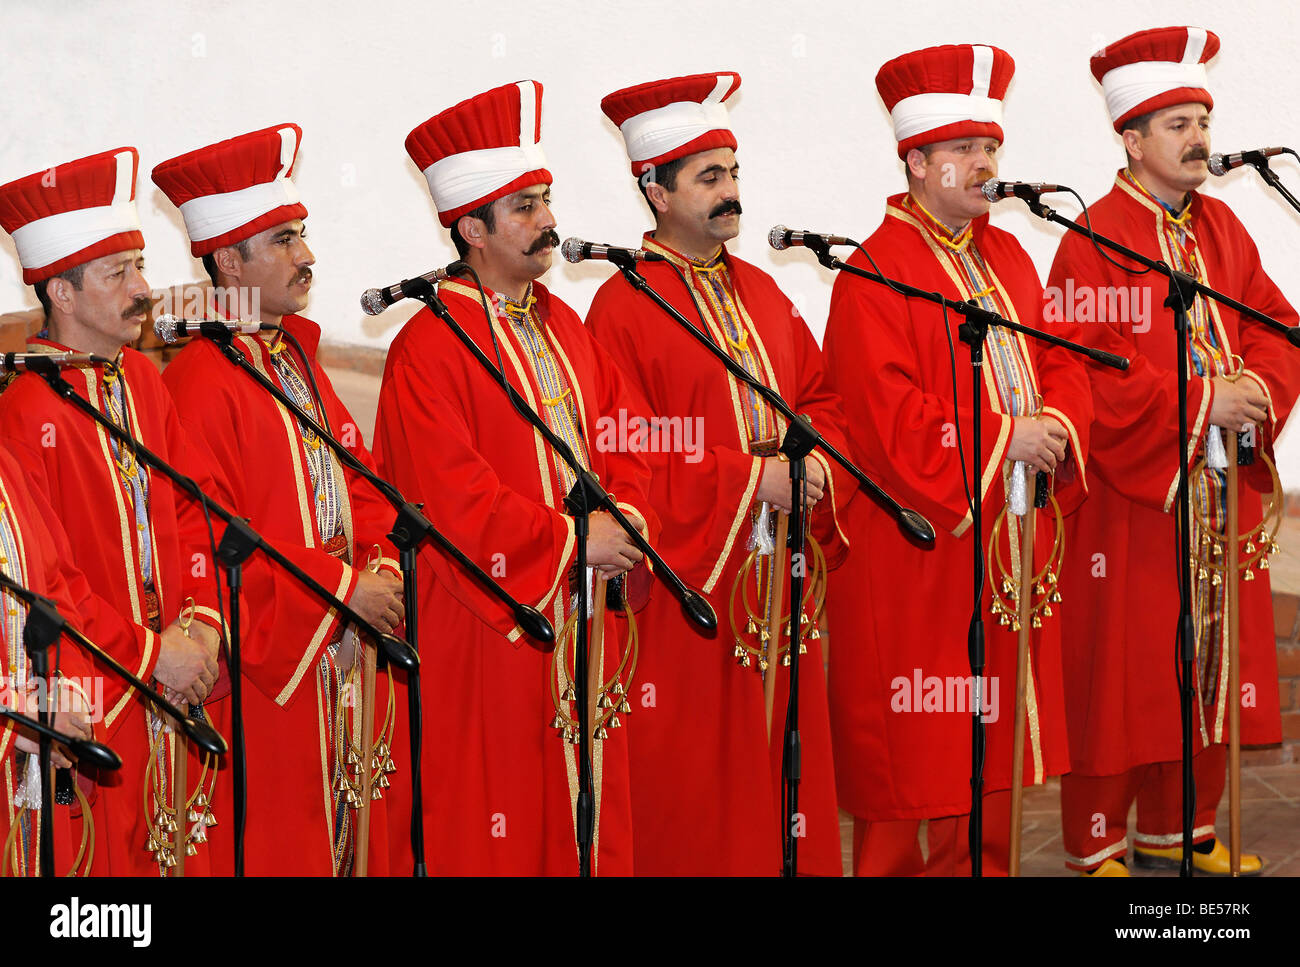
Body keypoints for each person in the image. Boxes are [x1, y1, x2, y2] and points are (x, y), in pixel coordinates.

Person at [374, 79, 656, 874]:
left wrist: (627, 519)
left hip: (583, 625)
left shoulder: (563, 323)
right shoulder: (428, 347)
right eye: (525, 207)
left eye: (545, 200)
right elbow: (454, 499)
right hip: (489, 631)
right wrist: (574, 540)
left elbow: (625, 436)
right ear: (471, 227)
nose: (548, 223)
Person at [823, 44, 1093, 875]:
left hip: (1006, 543)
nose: (985, 166)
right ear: (915, 161)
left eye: (991, 149)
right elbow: (886, 417)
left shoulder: (1008, 255)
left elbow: (1067, 358)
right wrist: (1002, 439)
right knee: (917, 754)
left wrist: (1053, 422)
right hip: (920, 553)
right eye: (965, 150)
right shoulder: (872, 274)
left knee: (992, 758)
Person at [1046, 25, 1300, 876]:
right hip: (1134, 501)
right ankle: (1094, 840)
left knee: (1205, 666)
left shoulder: (1223, 226)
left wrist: (1256, 391)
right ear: (1130, 137)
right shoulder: (1092, 238)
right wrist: (1199, 406)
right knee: (1124, 677)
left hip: (1217, 495)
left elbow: (1276, 326)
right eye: (1177, 124)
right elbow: (1082, 370)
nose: (1198, 139)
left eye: (1202, 119)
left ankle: (1183, 829)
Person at [586, 71, 851, 875]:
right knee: (694, 793)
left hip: (780, 583)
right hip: (688, 597)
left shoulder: (765, 293)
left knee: (785, 777)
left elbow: (824, 400)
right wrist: (746, 481)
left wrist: (812, 470)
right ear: (654, 191)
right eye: (709, 177)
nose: (732, 191)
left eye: (732, 171)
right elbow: (621, 452)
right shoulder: (622, 309)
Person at [152, 125, 404, 875]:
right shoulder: (198, 382)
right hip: (275, 685)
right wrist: (340, 592)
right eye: (286, 239)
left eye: (303, 235)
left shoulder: (293, 356)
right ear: (229, 260)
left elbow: (363, 481)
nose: (309, 256)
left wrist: (382, 566)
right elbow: (211, 540)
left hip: (343, 654)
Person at [0, 147, 223, 876]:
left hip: (172, 680)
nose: (143, 289)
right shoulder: (26, 408)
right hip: (95, 697)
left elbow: (194, 514)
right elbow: (46, 582)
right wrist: (156, 656)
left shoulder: (143, 384)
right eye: (118, 272)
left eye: (140, 266)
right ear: (60, 292)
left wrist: (200, 625)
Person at [0, 449, 98, 876]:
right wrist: (20, 715)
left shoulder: (6, 463)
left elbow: (58, 589)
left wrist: (67, 687)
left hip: (33, 767)